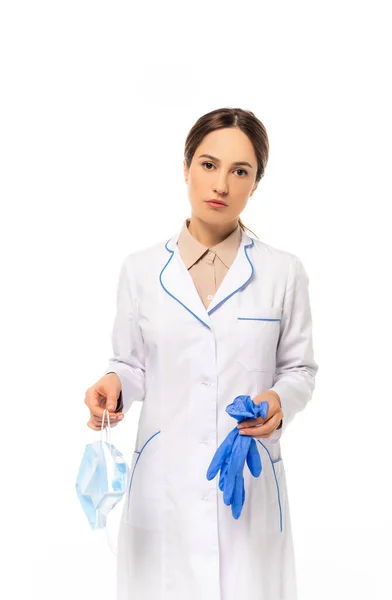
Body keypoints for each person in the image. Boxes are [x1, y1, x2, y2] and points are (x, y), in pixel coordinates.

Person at [84, 107, 319, 600]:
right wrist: (115, 385)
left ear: (255, 184)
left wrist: (279, 402)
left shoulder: (282, 272)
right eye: (209, 165)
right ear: (186, 167)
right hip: (163, 485)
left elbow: (298, 368)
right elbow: (130, 363)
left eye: (241, 171)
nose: (222, 185)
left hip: (248, 484)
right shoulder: (141, 270)